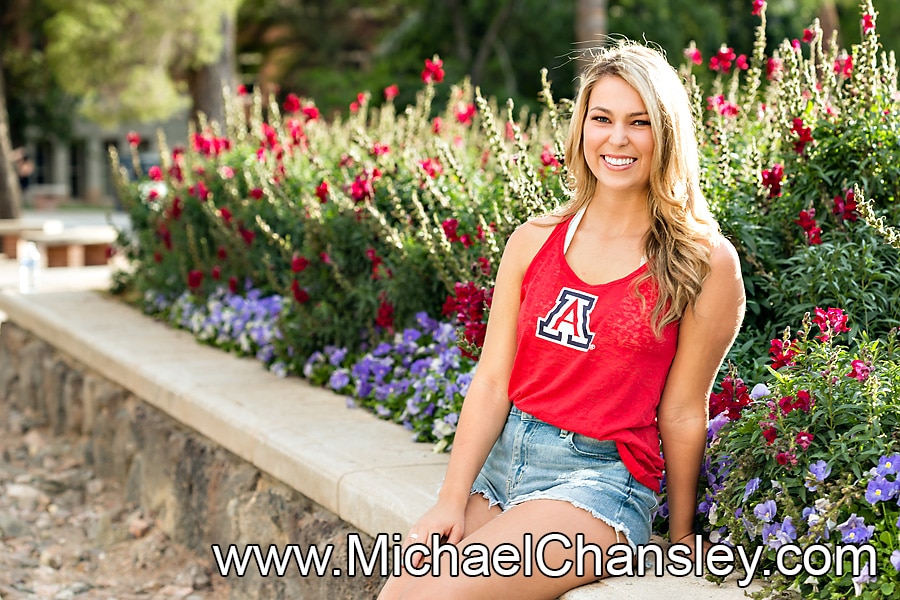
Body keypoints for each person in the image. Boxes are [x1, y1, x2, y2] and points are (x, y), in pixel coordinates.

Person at [378, 39, 745, 600]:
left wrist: (682, 534)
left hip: (600, 481)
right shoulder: (533, 241)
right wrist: (451, 500)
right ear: (581, 129)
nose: (617, 138)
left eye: (639, 122)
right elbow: (495, 380)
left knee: (442, 593)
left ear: (666, 134)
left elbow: (682, 408)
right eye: (602, 118)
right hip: (506, 465)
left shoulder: (703, 261)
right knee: (401, 593)